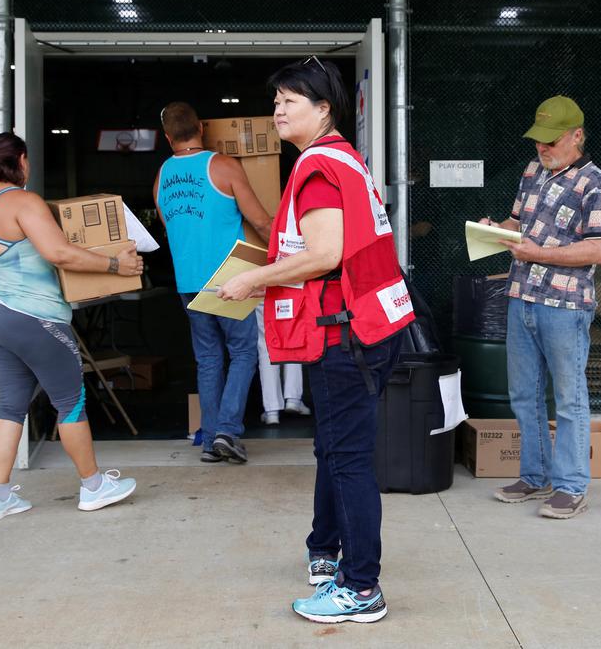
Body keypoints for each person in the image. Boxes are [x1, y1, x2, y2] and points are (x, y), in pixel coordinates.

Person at [217, 57, 414, 624]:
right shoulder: (345, 160)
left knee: (347, 458)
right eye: (275, 100)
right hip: (368, 325)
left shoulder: (319, 169)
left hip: (345, 335)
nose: (277, 109)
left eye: (290, 101)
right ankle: (325, 550)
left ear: (324, 109)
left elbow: (326, 254)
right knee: (333, 448)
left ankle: (362, 588)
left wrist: (254, 278)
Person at [0, 133, 141, 521]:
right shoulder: (23, 201)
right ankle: (94, 486)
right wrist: (117, 265)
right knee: (70, 401)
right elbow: (59, 253)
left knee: (10, 407)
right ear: (22, 160)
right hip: (36, 317)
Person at [479, 95, 601, 520]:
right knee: (524, 394)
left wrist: (537, 254)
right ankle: (534, 477)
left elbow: (599, 250)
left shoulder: (595, 182)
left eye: (551, 141)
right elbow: (519, 224)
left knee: (568, 397)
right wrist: (494, 230)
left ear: (577, 135)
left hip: (566, 305)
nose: (542, 148)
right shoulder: (532, 171)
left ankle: (571, 486)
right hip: (523, 297)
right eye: (538, 140)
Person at [154, 102, 271, 464]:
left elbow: (167, 226)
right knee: (244, 351)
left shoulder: (161, 177)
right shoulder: (223, 166)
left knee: (207, 358)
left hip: (187, 281)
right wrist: (289, 254)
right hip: (229, 278)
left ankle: (210, 442)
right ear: (201, 127)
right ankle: (227, 431)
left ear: (168, 137)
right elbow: (261, 221)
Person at [254, 303, 309, 425]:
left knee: (266, 346)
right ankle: (293, 399)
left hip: (261, 291)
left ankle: (271, 410)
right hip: (289, 290)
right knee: (293, 338)